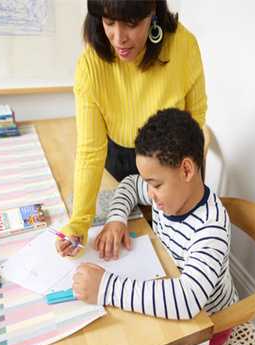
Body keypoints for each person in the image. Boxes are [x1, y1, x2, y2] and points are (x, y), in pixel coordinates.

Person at [71, 109, 239, 345]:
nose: (149, 193)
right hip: (169, 283)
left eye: (156, 184)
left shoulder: (211, 228)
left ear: (186, 170)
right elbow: (128, 185)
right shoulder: (169, 195)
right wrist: (117, 219)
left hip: (211, 322)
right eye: (147, 182)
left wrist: (106, 287)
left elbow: (187, 300)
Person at [56, 0, 207, 257]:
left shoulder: (183, 46)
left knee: (173, 249)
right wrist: (79, 221)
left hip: (173, 161)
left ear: (152, 12)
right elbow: (91, 152)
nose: (119, 38)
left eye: (131, 23)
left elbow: (196, 118)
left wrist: (180, 179)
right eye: (109, 22)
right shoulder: (91, 65)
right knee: (136, 247)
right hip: (119, 157)